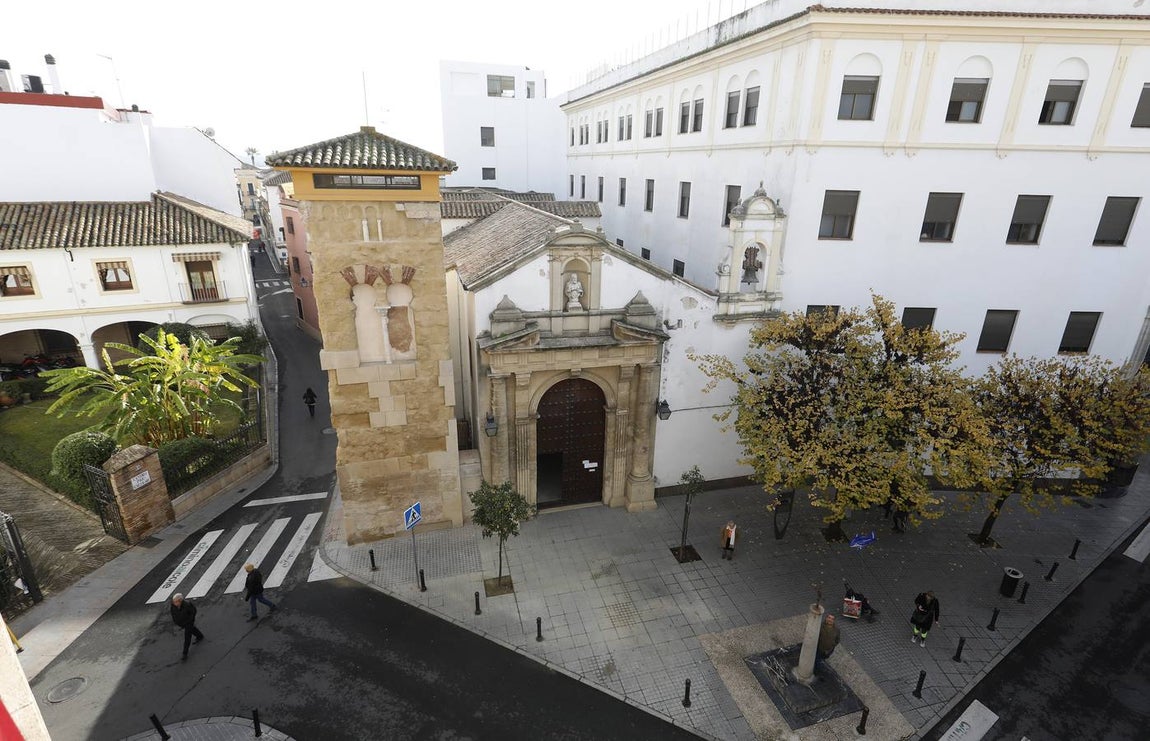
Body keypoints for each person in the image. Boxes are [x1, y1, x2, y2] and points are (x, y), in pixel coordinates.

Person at [170, 593, 203, 661]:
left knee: (187, 637)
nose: (174, 603)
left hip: (188, 622)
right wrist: (177, 622)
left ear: (180, 601)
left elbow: (193, 612)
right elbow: (173, 615)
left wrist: (190, 621)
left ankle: (185, 653)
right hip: (182, 623)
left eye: (176, 601)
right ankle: (200, 636)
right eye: (174, 601)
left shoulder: (187, 605)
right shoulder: (173, 606)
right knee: (192, 629)